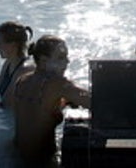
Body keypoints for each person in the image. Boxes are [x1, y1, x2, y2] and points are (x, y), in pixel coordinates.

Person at [12, 35, 90, 164]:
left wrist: (63, 103)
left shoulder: (22, 81)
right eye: (61, 58)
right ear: (43, 61)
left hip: (17, 158)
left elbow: (36, 113)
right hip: (43, 161)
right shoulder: (58, 84)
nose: (67, 62)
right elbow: (96, 103)